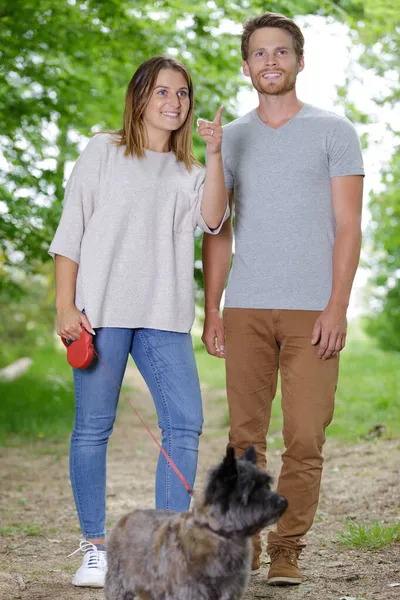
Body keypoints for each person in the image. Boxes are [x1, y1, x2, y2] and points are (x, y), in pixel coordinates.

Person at [49, 55, 228, 589]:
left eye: (183, 94)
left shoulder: (192, 172)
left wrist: (215, 153)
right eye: (163, 92)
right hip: (99, 313)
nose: (174, 102)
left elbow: (214, 220)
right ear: (140, 97)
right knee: (93, 428)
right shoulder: (103, 150)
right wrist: (65, 305)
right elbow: (71, 230)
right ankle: (95, 548)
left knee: (185, 423)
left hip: (163, 316)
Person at [202, 12, 364, 586]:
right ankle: (244, 543)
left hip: (312, 310)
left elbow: (348, 226)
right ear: (246, 67)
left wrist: (337, 305)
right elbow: (215, 229)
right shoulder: (232, 138)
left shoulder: (333, 131)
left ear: (299, 61)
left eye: (281, 52)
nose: (271, 61)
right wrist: (213, 309)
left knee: (304, 437)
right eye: (260, 54)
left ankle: (288, 546)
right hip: (247, 307)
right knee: (245, 437)